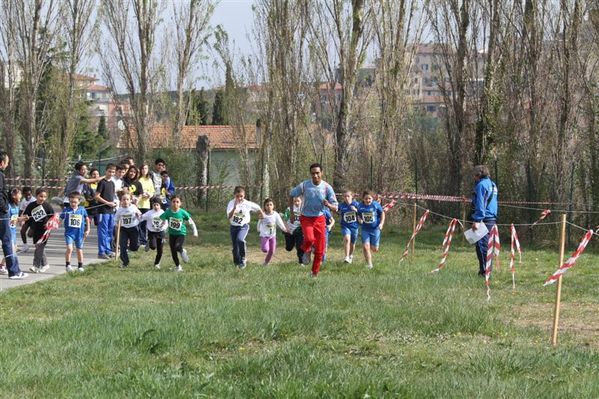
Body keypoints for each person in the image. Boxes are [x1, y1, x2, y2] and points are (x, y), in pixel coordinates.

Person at [289, 163, 338, 278]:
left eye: (317, 173)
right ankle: (306, 249)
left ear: (322, 173)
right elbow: (291, 195)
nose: (315, 176)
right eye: (313, 173)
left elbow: (335, 207)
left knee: (320, 249)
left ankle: (314, 273)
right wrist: (291, 212)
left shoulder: (327, 187)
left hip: (320, 219)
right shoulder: (305, 185)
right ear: (310, 174)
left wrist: (328, 205)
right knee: (310, 238)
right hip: (306, 217)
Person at [0, 151, 27, 279]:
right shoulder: (0, 175)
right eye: (7, 162)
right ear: (2, 163)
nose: (7, 165)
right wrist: (5, 208)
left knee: (9, 243)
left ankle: (14, 270)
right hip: (2, 214)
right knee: (8, 243)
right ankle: (14, 271)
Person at [226, 186, 264, 269]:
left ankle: (243, 258)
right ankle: (237, 263)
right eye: (237, 196)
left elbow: (258, 207)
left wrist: (262, 214)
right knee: (235, 247)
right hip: (233, 227)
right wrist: (234, 208)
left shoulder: (247, 203)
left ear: (244, 195)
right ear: (234, 195)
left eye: (241, 196)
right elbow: (229, 216)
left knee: (240, 239)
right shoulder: (231, 203)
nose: (239, 198)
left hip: (243, 226)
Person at [471, 164, 498, 276]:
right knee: (487, 245)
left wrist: (477, 220)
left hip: (484, 218)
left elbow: (481, 204)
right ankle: (486, 271)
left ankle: (484, 272)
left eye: (474, 175)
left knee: (482, 246)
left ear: (478, 175)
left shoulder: (481, 185)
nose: (473, 177)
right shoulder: (492, 184)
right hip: (491, 218)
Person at [159, 196, 198, 272]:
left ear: (180, 203)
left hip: (181, 234)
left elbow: (191, 222)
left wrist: (195, 232)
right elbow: (162, 220)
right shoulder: (168, 212)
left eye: (177, 202)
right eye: (173, 201)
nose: (175, 203)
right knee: (173, 251)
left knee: (177, 247)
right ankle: (178, 267)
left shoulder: (183, 212)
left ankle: (182, 251)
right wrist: (163, 228)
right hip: (172, 234)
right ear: (171, 203)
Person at [23, 188, 55, 273]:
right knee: (38, 247)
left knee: (40, 246)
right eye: (41, 196)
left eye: (45, 197)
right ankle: (45, 264)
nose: (43, 198)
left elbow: (53, 216)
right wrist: (25, 218)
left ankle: (36, 266)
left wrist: (49, 222)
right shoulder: (31, 205)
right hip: (35, 229)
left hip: (45, 230)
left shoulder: (47, 206)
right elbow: (26, 214)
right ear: (36, 196)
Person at [60, 192, 90, 272]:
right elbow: (60, 218)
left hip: (79, 234)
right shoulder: (66, 210)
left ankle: (80, 266)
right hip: (69, 233)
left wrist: (88, 230)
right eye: (71, 202)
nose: (73, 204)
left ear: (79, 202)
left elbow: (87, 219)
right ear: (69, 201)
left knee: (79, 250)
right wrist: (56, 224)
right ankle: (68, 265)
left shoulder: (82, 210)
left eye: (75, 202)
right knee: (69, 249)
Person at [357, 190, 385, 270]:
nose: (368, 200)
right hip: (365, 229)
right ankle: (369, 265)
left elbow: (382, 213)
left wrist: (381, 224)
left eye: (369, 198)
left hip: (375, 229)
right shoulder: (360, 206)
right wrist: (359, 219)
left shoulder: (375, 205)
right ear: (363, 199)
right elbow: (358, 215)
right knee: (366, 247)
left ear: (372, 199)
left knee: (374, 249)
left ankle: (371, 249)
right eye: (366, 199)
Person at [95, 163, 117, 259]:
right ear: (106, 171)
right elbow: (96, 196)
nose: (111, 173)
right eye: (109, 171)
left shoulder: (112, 183)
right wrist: (107, 203)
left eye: (113, 172)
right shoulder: (102, 182)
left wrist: (114, 203)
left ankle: (108, 250)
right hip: (102, 211)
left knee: (109, 231)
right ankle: (101, 251)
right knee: (102, 231)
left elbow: (112, 196)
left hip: (111, 211)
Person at [0, 188, 25, 274]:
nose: (21, 196)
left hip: (13, 231)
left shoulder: (16, 205)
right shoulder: (8, 206)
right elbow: (6, 219)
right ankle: (4, 266)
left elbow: (15, 219)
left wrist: (23, 219)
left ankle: (3, 265)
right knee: (12, 249)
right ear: (13, 195)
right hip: (8, 231)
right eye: (19, 194)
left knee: (13, 249)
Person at [257, 198, 288, 266]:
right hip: (264, 235)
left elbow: (280, 222)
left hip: (272, 236)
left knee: (272, 251)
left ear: (273, 206)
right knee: (265, 249)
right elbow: (259, 223)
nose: (269, 206)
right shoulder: (263, 215)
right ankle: (264, 245)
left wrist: (284, 228)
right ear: (264, 207)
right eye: (267, 205)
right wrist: (258, 229)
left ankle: (266, 263)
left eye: (271, 205)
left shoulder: (276, 214)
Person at [114, 192, 141, 269]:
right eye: (124, 199)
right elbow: (115, 218)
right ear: (121, 201)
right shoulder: (120, 210)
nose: (125, 201)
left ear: (130, 200)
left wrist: (138, 215)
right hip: (124, 229)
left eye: (127, 199)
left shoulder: (133, 207)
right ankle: (125, 262)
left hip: (133, 228)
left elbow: (140, 215)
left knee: (135, 247)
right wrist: (116, 224)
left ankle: (131, 247)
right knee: (122, 246)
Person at [140, 197, 167, 269]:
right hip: (152, 233)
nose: (156, 207)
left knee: (160, 250)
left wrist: (164, 227)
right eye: (154, 205)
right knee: (153, 247)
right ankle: (149, 242)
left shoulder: (162, 212)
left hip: (161, 233)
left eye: (157, 205)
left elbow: (166, 222)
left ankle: (157, 263)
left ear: (160, 205)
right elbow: (141, 218)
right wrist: (136, 217)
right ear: (152, 205)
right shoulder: (149, 213)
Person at [337, 190, 360, 264]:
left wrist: (356, 210)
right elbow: (337, 211)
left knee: (352, 243)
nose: (346, 198)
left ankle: (350, 255)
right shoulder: (341, 205)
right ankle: (346, 257)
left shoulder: (356, 204)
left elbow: (362, 213)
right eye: (345, 196)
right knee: (347, 239)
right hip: (345, 226)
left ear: (352, 197)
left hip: (354, 226)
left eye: (348, 196)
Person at [137, 163, 155, 245]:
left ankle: (143, 240)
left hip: (146, 204)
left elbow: (152, 191)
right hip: (138, 204)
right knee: (138, 222)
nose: (144, 170)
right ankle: (138, 239)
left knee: (144, 223)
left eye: (146, 168)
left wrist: (149, 195)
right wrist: (141, 194)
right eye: (143, 168)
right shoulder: (138, 179)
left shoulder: (149, 180)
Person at [282, 197, 304, 264]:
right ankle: (292, 241)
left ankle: (301, 262)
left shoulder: (304, 209)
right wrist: (286, 228)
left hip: (299, 230)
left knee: (300, 246)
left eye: (298, 201)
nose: (296, 203)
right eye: (295, 201)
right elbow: (285, 220)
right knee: (289, 248)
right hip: (290, 231)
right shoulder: (289, 209)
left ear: (301, 201)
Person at [18, 186, 35, 252]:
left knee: (30, 235)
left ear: (31, 194)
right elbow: (21, 210)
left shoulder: (34, 200)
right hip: (27, 219)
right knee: (22, 231)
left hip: (34, 220)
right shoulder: (23, 200)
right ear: (23, 194)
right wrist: (19, 219)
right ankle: (25, 246)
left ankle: (38, 240)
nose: (28, 196)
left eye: (29, 195)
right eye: (26, 195)